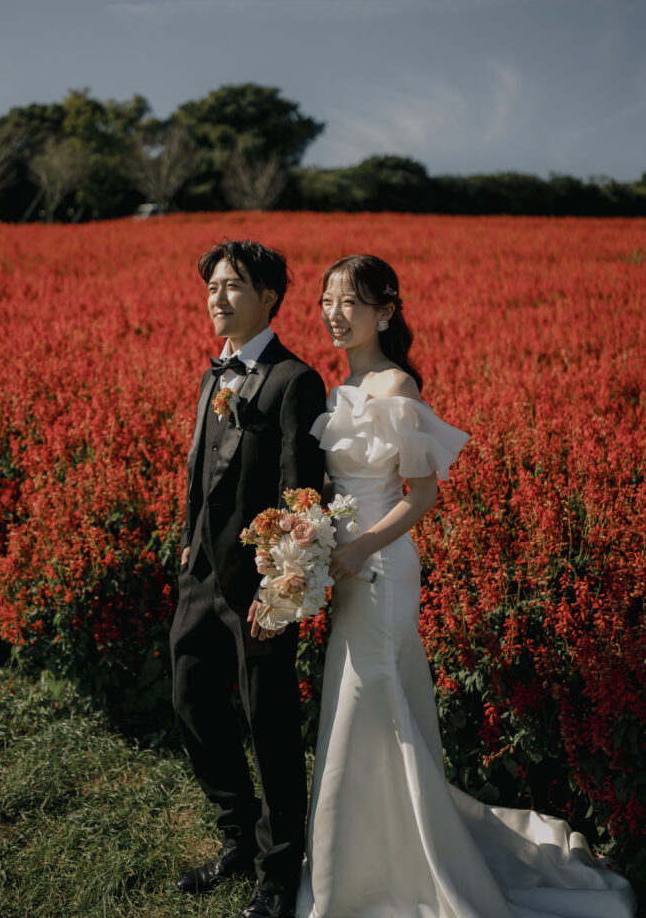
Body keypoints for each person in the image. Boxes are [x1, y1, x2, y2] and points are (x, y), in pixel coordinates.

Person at [296, 254, 635, 918]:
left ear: (384, 312)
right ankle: (358, 856)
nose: (335, 314)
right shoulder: (340, 387)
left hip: (383, 565)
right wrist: (307, 534)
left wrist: (360, 544)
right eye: (326, 302)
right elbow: (335, 486)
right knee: (354, 705)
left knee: (378, 700)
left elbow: (421, 496)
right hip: (342, 565)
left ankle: (403, 865)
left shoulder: (397, 390)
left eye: (350, 303)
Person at [170, 239, 327, 918]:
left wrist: (283, 588)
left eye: (231, 285)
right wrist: (185, 544)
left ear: (267, 295)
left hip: (259, 587)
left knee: (269, 724)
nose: (216, 297)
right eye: (210, 286)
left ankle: (277, 870)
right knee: (191, 699)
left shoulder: (293, 380)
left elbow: (301, 492)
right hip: (201, 575)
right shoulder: (214, 375)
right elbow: (198, 473)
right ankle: (237, 833)